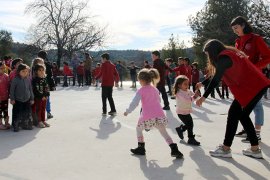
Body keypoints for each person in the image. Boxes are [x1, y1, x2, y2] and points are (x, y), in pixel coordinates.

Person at [196, 39, 270, 159]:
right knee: (240, 116)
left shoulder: (224, 58)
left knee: (236, 116)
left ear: (213, 51)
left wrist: (203, 97)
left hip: (251, 88)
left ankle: (226, 149)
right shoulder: (229, 53)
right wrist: (203, 83)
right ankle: (254, 149)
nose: (208, 57)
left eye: (208, 54)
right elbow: (217, 75)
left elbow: (216, 80)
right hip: (256, 85)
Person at [124, 68, 183, 158]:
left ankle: (141, 148)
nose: (139, 82)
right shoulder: (155, 89)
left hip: (147, 116)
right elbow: (159, 100)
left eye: (139, 80)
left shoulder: (141, 90)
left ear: (142, 80)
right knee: (164, 132)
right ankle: (174, 149)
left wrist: (128, 111)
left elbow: (134, 103)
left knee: (138, 129)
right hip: (159, 115)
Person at [231, 16, 270, 142]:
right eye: (233, 29)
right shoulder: (237, 41)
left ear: (243, 25)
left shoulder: (256, 39)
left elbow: (268, 57)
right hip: (242, 78)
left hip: (254, 78)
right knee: (242, 104)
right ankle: (248, 129)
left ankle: (256, 133)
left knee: (257, 105)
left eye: (236, 27)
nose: (235, 30)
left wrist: (254, 67)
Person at [174, 75, 200, 146]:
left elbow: (194, 95)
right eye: (185, 84)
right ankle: (190, 138)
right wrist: (195, 97)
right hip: (181, 112)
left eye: (188, 84)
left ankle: (181, 129)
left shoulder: (188, 91)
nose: (187, 85)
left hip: (187, 111)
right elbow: (187, 100)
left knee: (190, 124)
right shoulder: (179, 93)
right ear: (179, 85)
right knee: (190, 124)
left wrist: (197, 92)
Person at [10, 63, 34, 132]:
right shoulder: (15, 80)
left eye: (26, 71)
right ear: (19, 72)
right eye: (23, 71)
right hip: (18, 100)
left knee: (26, 112)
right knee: (17, 113)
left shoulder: (28, 80)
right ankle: (16, 125)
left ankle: (25, 124)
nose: (25, 73)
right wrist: (12, 99)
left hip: (27, 99)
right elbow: (12, 90)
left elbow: (30, 89)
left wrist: (32, 98)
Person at [37, 50, 55, 119]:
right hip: (45, 84)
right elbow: (50, 76)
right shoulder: (47, 64)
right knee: (47, 98)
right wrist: (52, 85)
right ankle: (48, 112)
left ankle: (38, 113)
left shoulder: (35, 64)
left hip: (37, 83)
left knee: (37, 98)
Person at [32, 64, 50, 128]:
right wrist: (41, 96)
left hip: (44, 97)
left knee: (43, 109)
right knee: (38, 109)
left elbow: (47, 88)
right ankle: (39, 121)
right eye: (40, 70)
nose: (42, 71)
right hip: (38, 98)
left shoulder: (44, 79)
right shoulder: (35, 80)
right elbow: (35, 90)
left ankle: (43, 120)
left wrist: (46, 95)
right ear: (36, 71)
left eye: (43, 70)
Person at [0, 62, 10, 129]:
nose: (3, 69)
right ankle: (0, 124)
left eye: (4, 68)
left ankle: (6, 122)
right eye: (1, 68)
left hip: (5, 97)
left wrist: (9, 95)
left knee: (5, 110)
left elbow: (8, 86)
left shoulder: (6, 76)